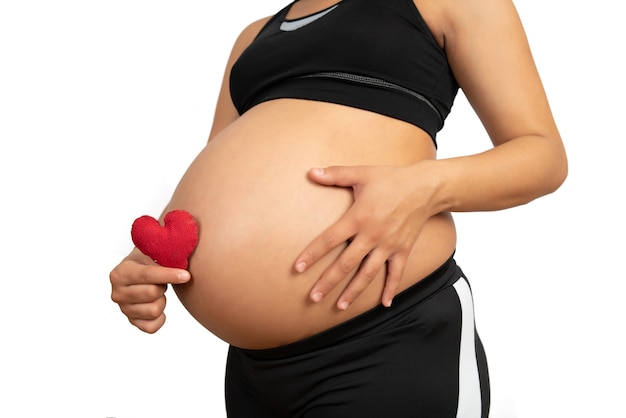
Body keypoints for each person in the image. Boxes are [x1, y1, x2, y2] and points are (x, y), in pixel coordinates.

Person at [110, 0, 567, 416]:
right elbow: (213, 176)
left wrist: (424, 184)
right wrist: (148, 263)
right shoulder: (253, 38)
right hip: (254, 372)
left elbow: (542, 155)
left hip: (390, 341)